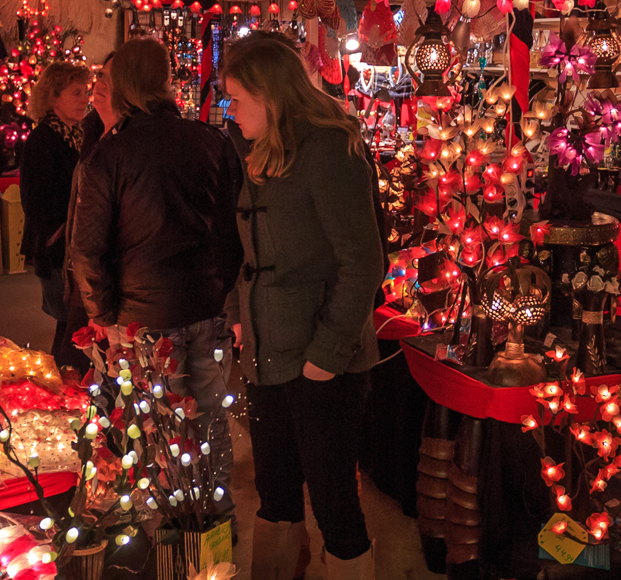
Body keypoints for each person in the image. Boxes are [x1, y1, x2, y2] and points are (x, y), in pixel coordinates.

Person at [221, 35, 385, 580]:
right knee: (274, 488)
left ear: (270, 95)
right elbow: (252, 255)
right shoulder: (263, 151)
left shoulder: (330, 150)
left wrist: (328, 352)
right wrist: (239, 313)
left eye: (237, 99)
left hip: (320, 361)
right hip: (267, 353)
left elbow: (362, 261)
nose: (230, 111)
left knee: (334, 498)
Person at [66, 37, 244, 509]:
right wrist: (219, 289)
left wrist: (101, 315)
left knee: (158, 433)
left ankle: (171, 533)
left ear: (122, 85)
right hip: (204, 306)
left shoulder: (113, 153)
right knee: (208, 423)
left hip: (141, 318)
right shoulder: (211, 140)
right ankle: (212, 520)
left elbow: (86, 249)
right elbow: (230, 234)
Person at [19, 62, 93, 371]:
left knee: (73, 323)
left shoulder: (80, 134)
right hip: (56, 247)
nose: (84, 99)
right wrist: (59, 231)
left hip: (75, 244)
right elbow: (34, 202)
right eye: (76, 93)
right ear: (53, 97)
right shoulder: (42, 140)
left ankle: (64, 381)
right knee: (68, 323)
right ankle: (61, 381)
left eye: (86, 92)